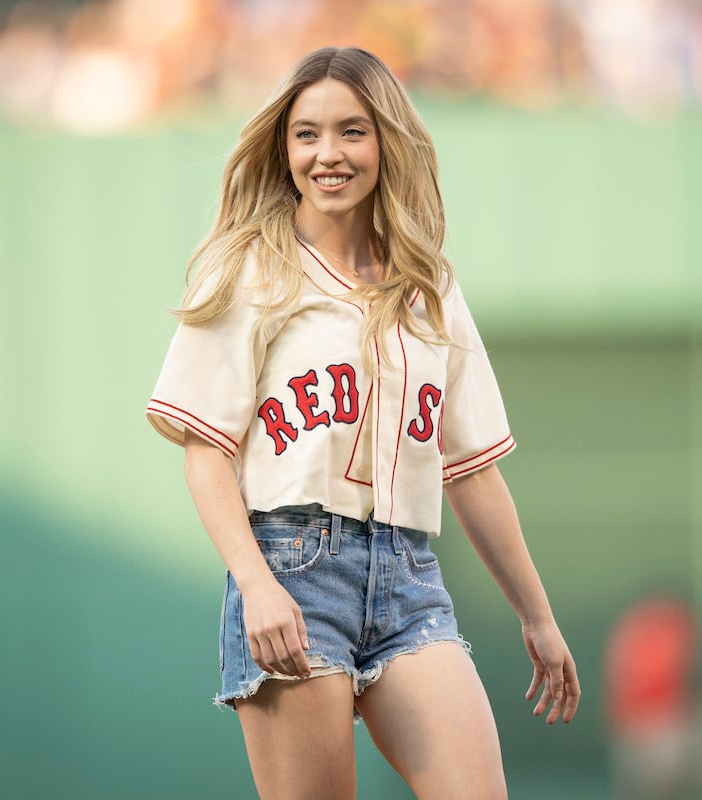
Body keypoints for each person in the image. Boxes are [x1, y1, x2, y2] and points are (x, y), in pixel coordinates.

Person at [145, 46, 579, 799]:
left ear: (386, 140)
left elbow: (471, 467)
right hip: (293, 566)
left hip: (411, 579)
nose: (328, 154)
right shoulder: (249, 266)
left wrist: (537, 616)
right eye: (306, 134)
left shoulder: (429, 284)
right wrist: (256, 584)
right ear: (283, 149)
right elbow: (205, 453)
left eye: (352, 130)